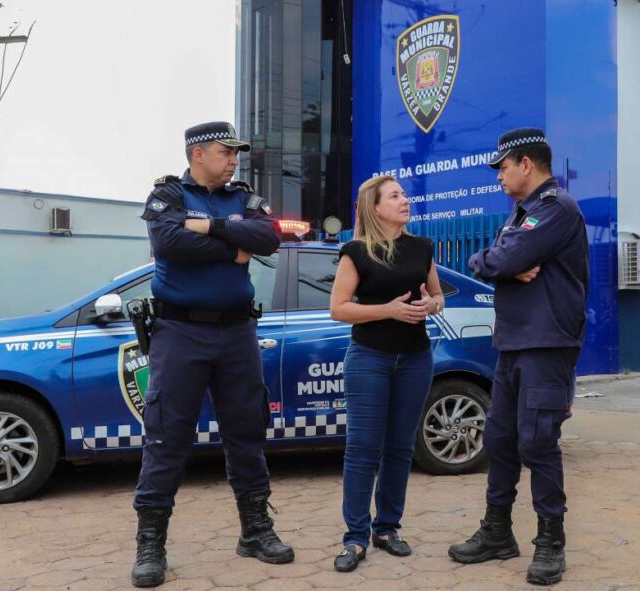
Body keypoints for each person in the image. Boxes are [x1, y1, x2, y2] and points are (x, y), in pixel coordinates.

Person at [130, 121, 291, 588]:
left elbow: (268, 238)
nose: (234, 159)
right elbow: (169, 242)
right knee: (166, 436)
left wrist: (217, 227)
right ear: (198, 153)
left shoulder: (243, 196)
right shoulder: (169, 197)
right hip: (181, 332)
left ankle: (256, 532)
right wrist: (233, 247)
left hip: (237, 332)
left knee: (245, 431)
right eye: (226, 151)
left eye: (236, 153)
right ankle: (150, 545)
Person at [448, 128, 588, 586]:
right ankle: (496, 532)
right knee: (501, 440)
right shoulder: (521, 213)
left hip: (547, 344)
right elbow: (492, 261)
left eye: (503, 168)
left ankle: (551, 541)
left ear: (526, 164)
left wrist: (498, 263)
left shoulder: (554, 208)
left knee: (537, 443)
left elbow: (503, 262)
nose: (499, 178)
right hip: (513, 343)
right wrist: (494, 262)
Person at [328, 175, 445, 572]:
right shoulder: (356, 252)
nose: (404, 200)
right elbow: (339, 308)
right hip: (369, 357)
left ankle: (388, 529)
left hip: (415, 357)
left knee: (400, 447)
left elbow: (438, 296)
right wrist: (387, 310)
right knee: (363, 449)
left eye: (404, 194)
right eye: (394, 196)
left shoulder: (421, 248)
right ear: (374, 207)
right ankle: (355, 537)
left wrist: (431, 305)